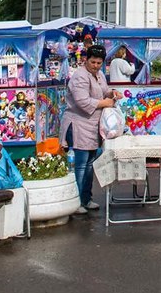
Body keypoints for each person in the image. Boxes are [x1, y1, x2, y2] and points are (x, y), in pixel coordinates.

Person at [62, 44, 120, 215]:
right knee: (80, 165)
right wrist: (105, 103)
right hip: (79, 124)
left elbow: (104, 91)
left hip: (93, 125)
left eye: (99, 63)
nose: (95, 66)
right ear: (86, 60)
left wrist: (112, 93)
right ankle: (76, 201)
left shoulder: (99, 74)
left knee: (90, 165)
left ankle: (86, 198)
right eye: (93, 62)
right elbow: (82, 102)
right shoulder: (79, 76)